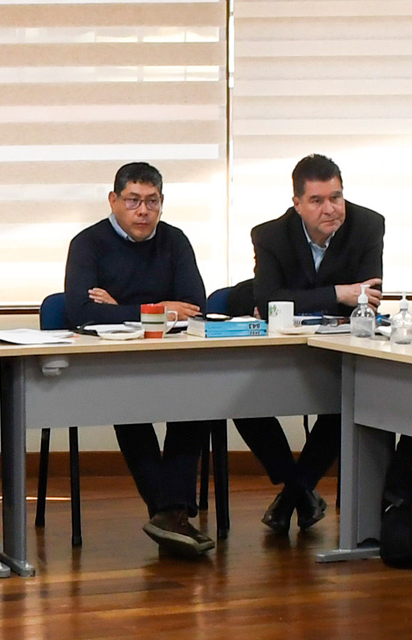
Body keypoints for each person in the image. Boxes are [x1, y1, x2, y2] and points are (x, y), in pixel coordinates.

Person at [63, 161, 217, 557]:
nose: (143, 211)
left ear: (162, 203)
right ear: (114, 201)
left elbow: (194, 305)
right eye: (133, 200)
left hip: (172, 358)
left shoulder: (175, 241)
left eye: (152, 201)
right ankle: (172, 514)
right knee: (128, 405)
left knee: (198, 402)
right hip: (113, 362)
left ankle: (169, 516)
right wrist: (157, 307)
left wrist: (122, 306)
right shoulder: (87, 243)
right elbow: (81, 312)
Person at [234, 154, 384, 534]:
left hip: (340, 349)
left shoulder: (368, 225)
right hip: (280, 350)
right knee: (240, 401)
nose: (330, 209)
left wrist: (316, 297)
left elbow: (368, 299)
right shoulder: (269, 235)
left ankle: (293, 494)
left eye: (336, 197)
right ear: (297, 203)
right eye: (317, 201)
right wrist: (337, 293)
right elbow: (269, 302)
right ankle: (299, 490)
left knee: (349, 402)